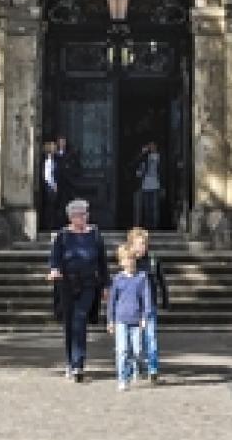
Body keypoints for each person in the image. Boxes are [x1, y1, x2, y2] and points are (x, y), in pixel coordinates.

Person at [44, 197, 107, 381]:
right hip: (67, 284)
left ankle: (78, 364)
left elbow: (101, 262)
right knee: (69, 324)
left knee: (80, 320)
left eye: (85, 214)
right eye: (80, 215)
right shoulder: (62, 235)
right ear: (71, 217)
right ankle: (70, 362)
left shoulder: (95, 234)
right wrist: (54, 271)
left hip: (88, 284)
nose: (84, 218)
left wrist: (106, 285)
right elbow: (55, 258)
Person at [106, 242, 158, 392]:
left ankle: (132, 370)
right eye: (126, 260)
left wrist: (145, 316)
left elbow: (146, 299)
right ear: (121, 262)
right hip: (121, 319)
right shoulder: (117, 279)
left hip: (136, 319)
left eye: (131, 259)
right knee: (122, 350)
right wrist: (110, 320)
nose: (129, 262)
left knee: (136, 351)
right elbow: (112, 301)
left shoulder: (142, 278)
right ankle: (122, 378)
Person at [123, 225, 169, 385]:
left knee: (151, 338)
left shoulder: (153, 260)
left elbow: (161, 281)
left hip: (149, 306)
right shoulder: (129, 262)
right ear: (131, 245)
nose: (141, 247)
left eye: (144, 244)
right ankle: (133, 368)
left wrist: (165, 300)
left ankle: (153, 369)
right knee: (134, 340)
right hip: (133, 307)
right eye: (138, 244)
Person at [37, 135, 72, 232]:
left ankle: (56, 225)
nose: (56, 148)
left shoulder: (55, 160)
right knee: (50, 208)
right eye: (54, 147)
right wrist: (53, 186)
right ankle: (50, 226)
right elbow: (47, 176)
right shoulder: (47, 161)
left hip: (57, 186)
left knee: (57, 207)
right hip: (50, 188)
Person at [134, 141, 165, 230]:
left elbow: (163, 171)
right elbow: (136, 163)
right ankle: (148, 226)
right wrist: (142, 153)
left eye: (153, 145)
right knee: (146, 207)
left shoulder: (160, 157)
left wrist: (163, 186)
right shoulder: (145, 157)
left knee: (155, 207)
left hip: (156, 184)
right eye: (150, 146)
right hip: (145, 185)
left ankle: (155, 226)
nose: (151, 147)